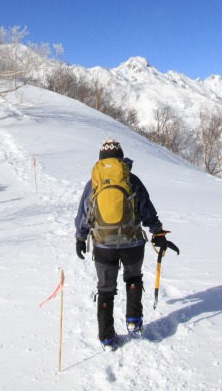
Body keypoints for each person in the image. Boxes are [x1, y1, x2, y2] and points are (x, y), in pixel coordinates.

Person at [75, 138, 172, 350]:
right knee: (134, 279)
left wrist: (80, 238)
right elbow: (147, 211)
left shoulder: (93, 184)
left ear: (100, 160)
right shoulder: (132, 180)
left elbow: (84, 216)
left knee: (105, 289)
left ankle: (107, 338)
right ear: (121, 158)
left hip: (103, 245)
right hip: (132, 243)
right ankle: (133, 322)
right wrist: (158, 232)